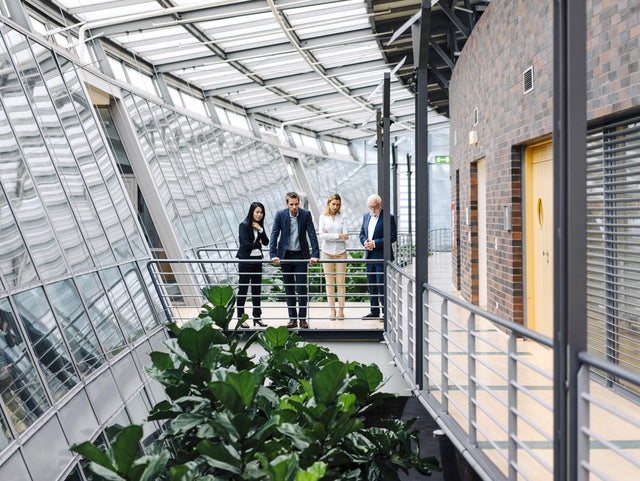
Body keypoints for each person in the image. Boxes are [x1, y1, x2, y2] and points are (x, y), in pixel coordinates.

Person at [269, 192, 320, 329]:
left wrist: (315, 254)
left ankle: (302, 319)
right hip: (285, 256)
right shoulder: (280, 215)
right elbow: (274, 234)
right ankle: (293, 319)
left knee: (302, 288)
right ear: (287, 204)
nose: (294, 207)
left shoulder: (305, 214)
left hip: (300, 256)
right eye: (291, 204)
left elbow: (312, 234)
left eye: (296, 204)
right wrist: (273, 254)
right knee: (289, 288)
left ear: (299, 203)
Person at [359, 194, 397, 320]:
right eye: (371, 207)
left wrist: (375, 243)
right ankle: (374, 311)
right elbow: (362, 234)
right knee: (372, 284)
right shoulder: (366, 216)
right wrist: (365, 242)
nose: (373, 210)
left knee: (382, 285)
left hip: (382, 256)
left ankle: (386, 312)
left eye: (375, 207)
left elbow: (392, 236)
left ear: (380, 205)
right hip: (369, 256)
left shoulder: (388, 217)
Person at [236, 202, 269, 328]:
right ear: (252, 212)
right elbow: (245, 244)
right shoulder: (243, 225)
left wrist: (260, 230)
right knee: (243, 290)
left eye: (261, 212)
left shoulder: (259, 226)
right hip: (245, 261)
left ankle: (257, 317)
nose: (259, 215)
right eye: (257, 212)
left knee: (256, 290)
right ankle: (240, 318)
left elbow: (266, 242)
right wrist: (258, 244)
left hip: (257, 262)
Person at [318, 194, 349, 320]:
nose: (335, 207)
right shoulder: (323, 217)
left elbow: (346, 235)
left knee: (341, 283)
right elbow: (322, 235)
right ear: (328, 204)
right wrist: (338, 236)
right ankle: (332, 310)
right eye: (333, 204)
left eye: (337, 204)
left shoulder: (343, 217)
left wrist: (330, 235)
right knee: (329, 283)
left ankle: (341, 310)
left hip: (341, 253)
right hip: (327, 253)